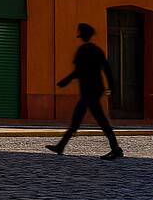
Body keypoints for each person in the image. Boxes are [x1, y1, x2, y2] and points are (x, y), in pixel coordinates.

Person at [47, 23, 125, 160]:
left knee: (97, 120)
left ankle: (116, 149)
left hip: (89, 91)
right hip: (95, 89)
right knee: (79, 120)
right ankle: (61, 145)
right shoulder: (97, 50)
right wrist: (111, 87)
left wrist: (65, 81)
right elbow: (107, 69)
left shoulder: (83, 50)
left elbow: (78, 71)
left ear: (83, 35)